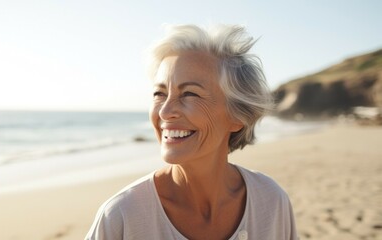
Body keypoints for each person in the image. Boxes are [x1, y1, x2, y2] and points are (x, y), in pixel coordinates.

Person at [85, 24, 298, 240]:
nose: (166, 112)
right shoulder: (121, 217)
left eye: (189, 94)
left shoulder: (271, 201)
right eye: (160, 93)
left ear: (237, 115)